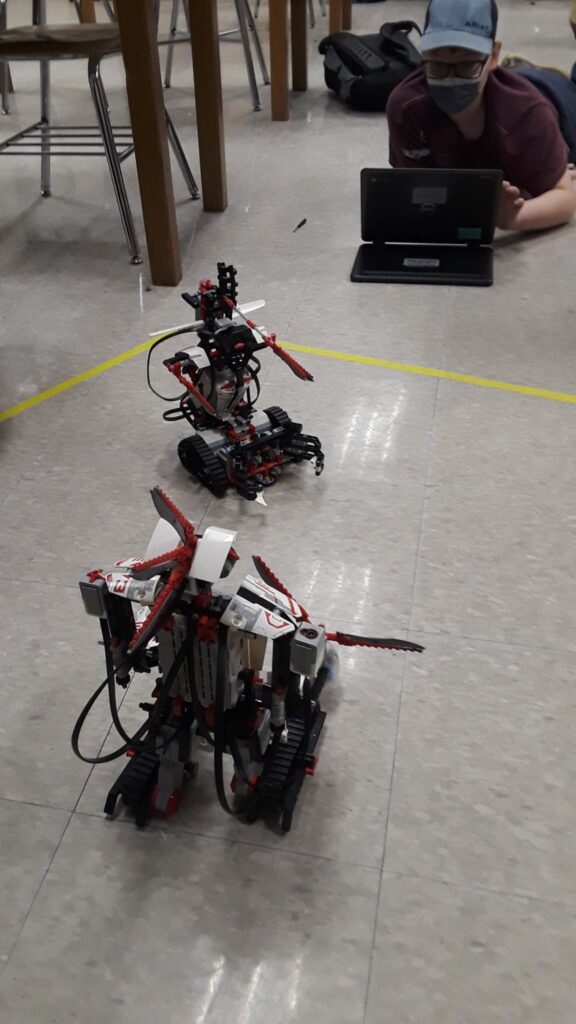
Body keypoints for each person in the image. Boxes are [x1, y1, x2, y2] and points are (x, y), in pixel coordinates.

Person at [386, 0, 576, 231]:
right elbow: (417, 189)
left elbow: (565, 200)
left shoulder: (527, 112)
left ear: (493, 55)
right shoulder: (406, 107)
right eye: (437, 64)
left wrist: (512, 218)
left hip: (561, 103)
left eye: (466, 65)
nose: (451, 78)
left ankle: (532, 72)